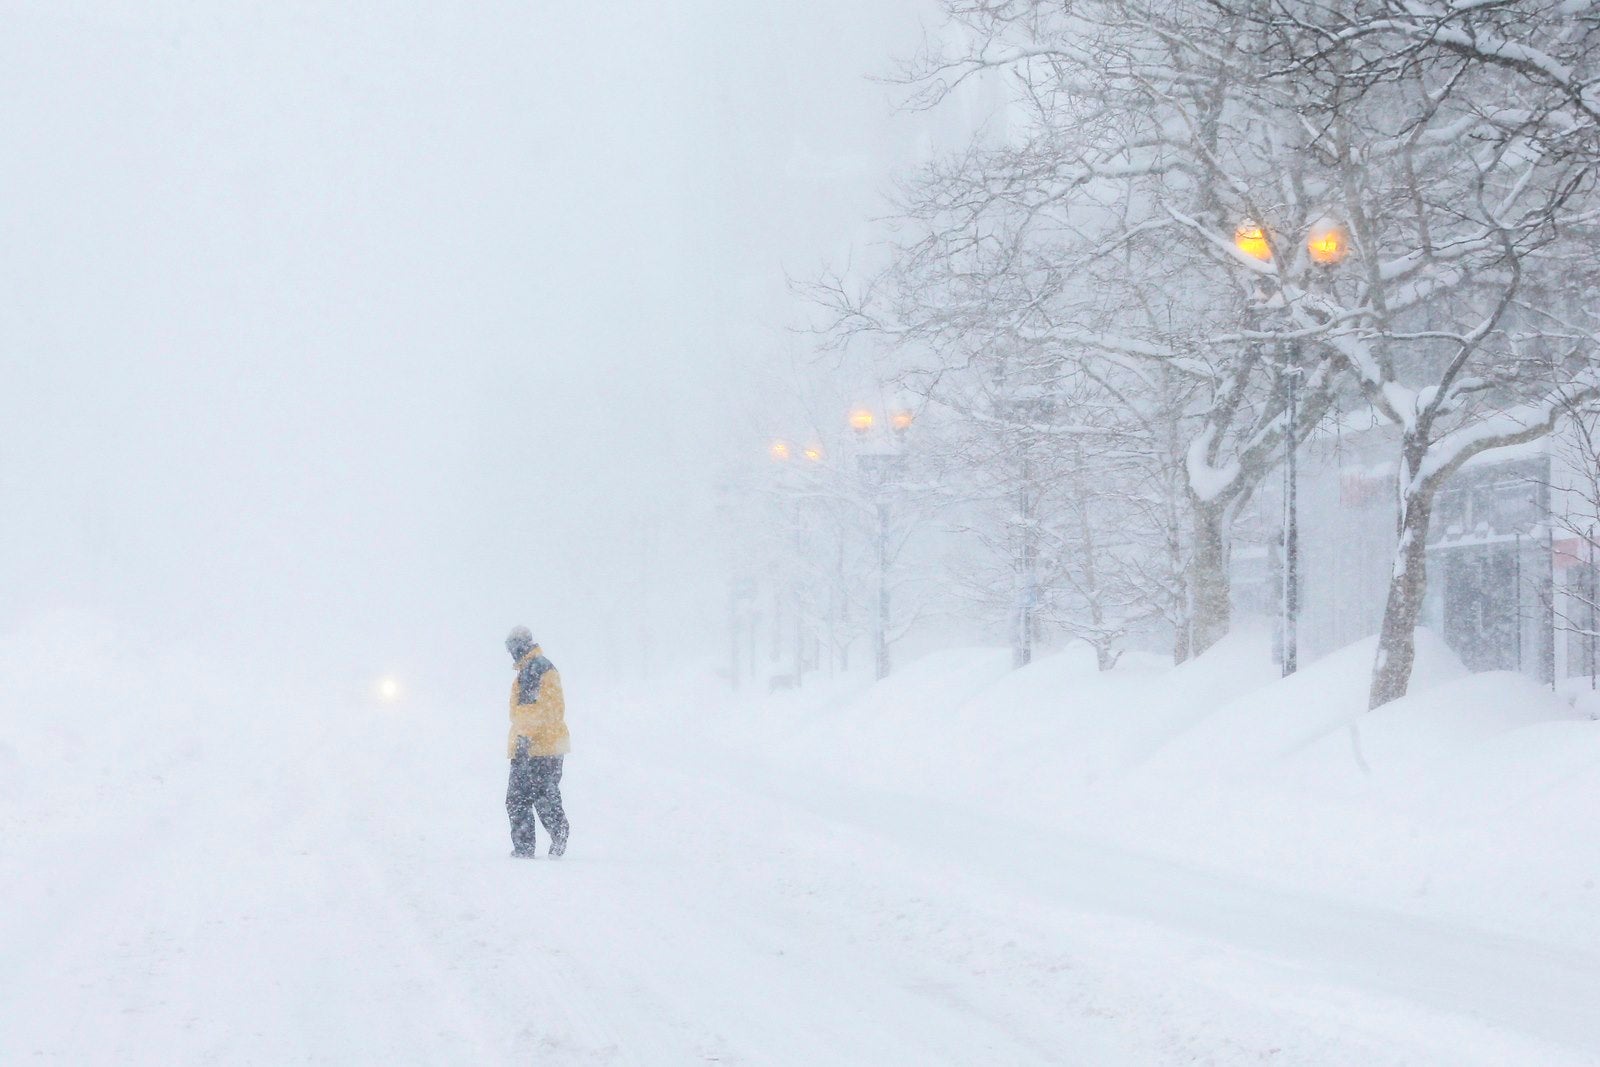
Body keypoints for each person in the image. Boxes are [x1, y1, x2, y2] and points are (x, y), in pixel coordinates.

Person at [504, 626, 571, 858]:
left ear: (520, 646)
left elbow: (534, 710)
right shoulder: (533, 669)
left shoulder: (535, 670)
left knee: (527, 798)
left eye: (512, 647)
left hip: (538, 746)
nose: (511, 653)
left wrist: (524, 738)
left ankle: (549, 837)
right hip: (540, 745)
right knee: (532, 796)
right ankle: (538, 841)